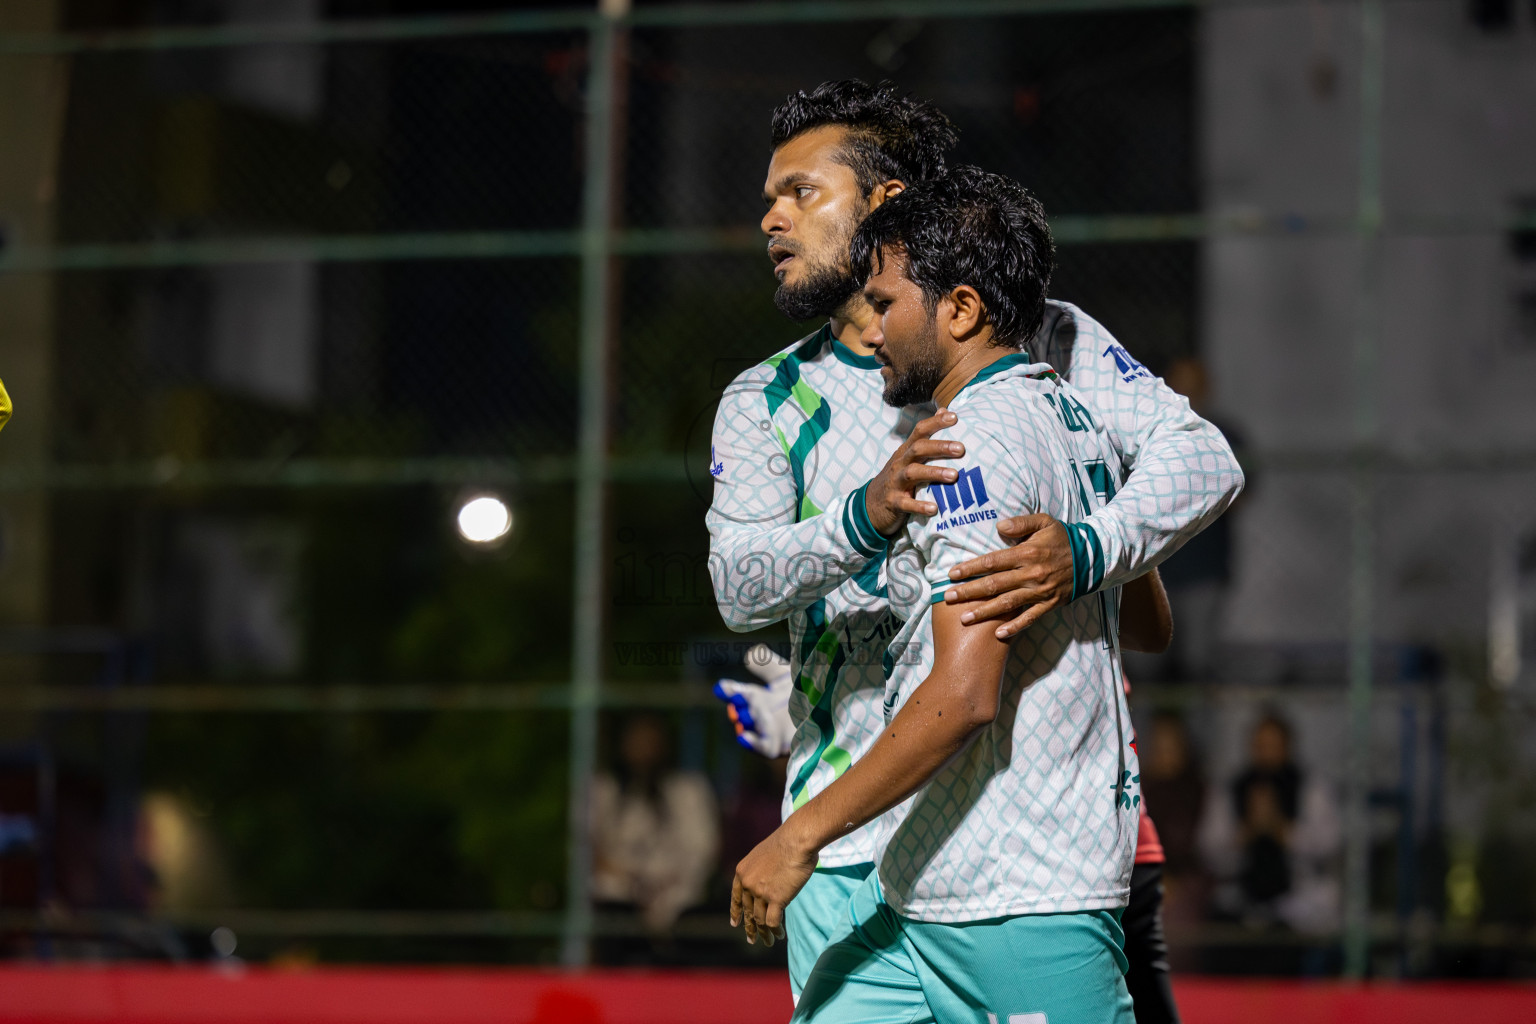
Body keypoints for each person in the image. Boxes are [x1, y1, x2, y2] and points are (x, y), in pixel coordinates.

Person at [707, 79, 1243, 1005]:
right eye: (767, 198)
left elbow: (1201, 461)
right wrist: (861, 519)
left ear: (886, 203)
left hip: (1016, 830)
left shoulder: (1039, 338)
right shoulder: (766, 400)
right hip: (850, 839)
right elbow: (739, 588)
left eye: (801, 191)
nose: (771, 218)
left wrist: (1089, 546)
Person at [1199, 712, 1341, 932]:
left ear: (1288, 746)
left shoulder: (1311, 787)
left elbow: (1329, 844)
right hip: (1242, 895)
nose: (1266, 753)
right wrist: (1248, 831)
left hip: (1297, 895)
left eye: (1274, 745)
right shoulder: (1232, 787)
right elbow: (1209, 849)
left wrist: (1280, 828)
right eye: (1261, 745)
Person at [590, 714, 719, 942]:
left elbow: (704, 850)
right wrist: (632, 882)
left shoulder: (689, 791)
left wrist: (664, 888)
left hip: (678, 900)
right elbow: (591, 851)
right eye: (636, 741)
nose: (643, 751)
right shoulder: (604, 791)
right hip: (620, 901)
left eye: (650, 742)